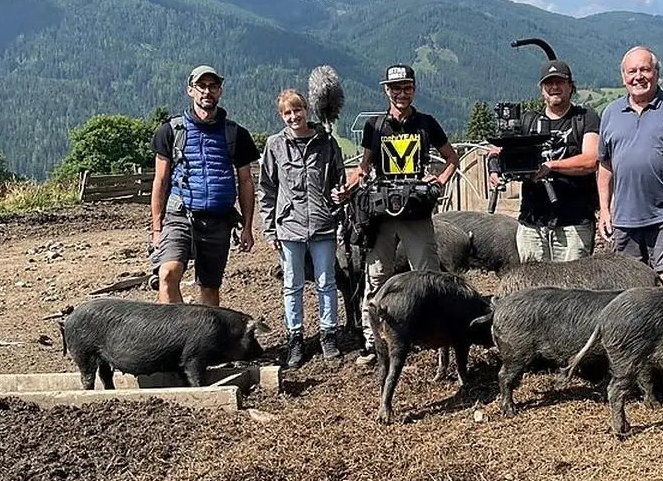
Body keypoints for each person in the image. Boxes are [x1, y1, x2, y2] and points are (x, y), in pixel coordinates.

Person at [346, 64, 460, 365]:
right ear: (386, 90)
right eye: (395, 88)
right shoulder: (375, 126)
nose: (401, 93)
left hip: (416, 210)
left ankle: (435, 337)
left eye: (407, 87)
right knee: (376, 276)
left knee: (427, 274)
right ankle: (373, 341)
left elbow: (452, 158)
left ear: (414, 89)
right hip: (382, 212)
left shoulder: (427, 123)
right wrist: (347, 187)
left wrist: (439, 181)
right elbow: (364, 167)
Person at [150, 65, 260, 307]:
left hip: (219, 220)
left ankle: (205, 343)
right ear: (190, 90)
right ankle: (174, 338)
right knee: (167, 274)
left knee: (210, 287)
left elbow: (246, 181)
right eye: (201, 86)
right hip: (180, 215)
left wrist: (248, 227)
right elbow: (160, 181)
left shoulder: (236, 134)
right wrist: (157, 229)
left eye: (213, 86)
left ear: (220, 92)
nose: (207, 92)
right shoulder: (171, 131)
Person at [257, 88, 345, 368]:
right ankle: (295, 339)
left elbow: (339, 182)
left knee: (326, 282)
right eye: (287, 113)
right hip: (289, 226)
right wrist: (269, 228)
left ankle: (328, 335)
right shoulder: (275, 145)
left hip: (323, 224)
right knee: (292, 285)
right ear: (281, 116)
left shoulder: (327, 143)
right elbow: (267, 188)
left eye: (297, 110)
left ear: (307, 110)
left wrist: (339, 210)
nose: (293, 117)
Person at [488, 59, 600, 261]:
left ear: (570, 86)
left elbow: (590, 160)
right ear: (542, 89)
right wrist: (495, 169)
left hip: (574, 223)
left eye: (560, 82)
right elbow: (497, 150)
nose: (554, 87)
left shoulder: (585, 118)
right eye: (549, 83)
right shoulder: (527, 121)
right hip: (532, 222)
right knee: (533, 289)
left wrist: (551, 166)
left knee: (573, 289)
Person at [597, 46, 663, 287]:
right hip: (625, 217)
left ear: (656, 73)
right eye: (632, 71)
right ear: (623, 77)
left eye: (645, 70)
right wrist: (605, 210)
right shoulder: (611, 113)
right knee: (629, 286)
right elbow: (605, 166)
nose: (638, 76)